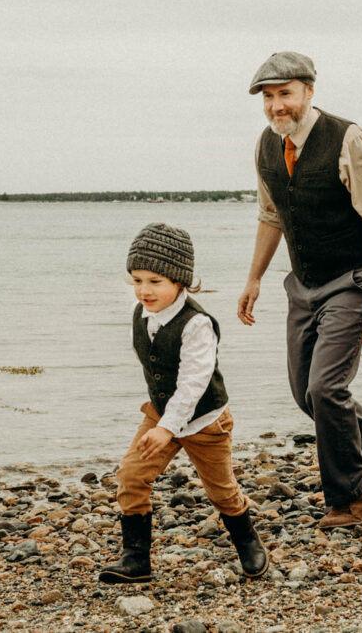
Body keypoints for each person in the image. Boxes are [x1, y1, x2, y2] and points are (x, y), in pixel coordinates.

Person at [237, 51, 362, 529]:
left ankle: (351, 497)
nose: (276, 107)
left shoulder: (346, 138)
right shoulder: (266, 147)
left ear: (309, 92)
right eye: (268, 98)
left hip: (354, 280)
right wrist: (253, 279)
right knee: (305, 394)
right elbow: (272, 215)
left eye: (285, 94)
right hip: (304, 285)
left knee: (326, 387)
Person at [99, 222, 268, 583]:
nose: (143, 290)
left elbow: (194, 382)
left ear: (181, 281)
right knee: (131, 475)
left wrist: (166, 427)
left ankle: (247, 541)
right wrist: (160, 422)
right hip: (161, 416)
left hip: (206, 420)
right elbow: (156, 365)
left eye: (154, 281)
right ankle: (136, 559)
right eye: (137, 280)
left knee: (221, 490)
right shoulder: (142, 314)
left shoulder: (197, 324)